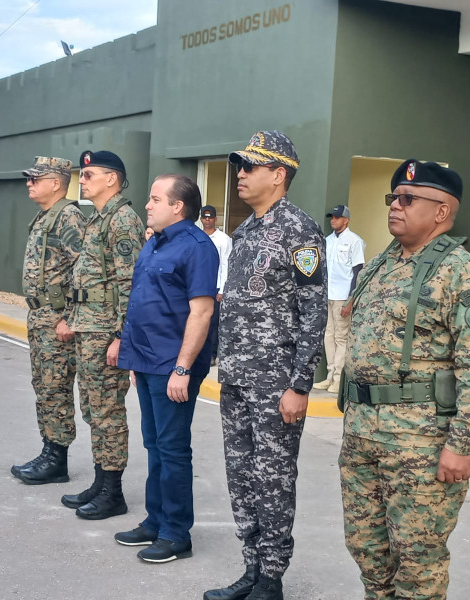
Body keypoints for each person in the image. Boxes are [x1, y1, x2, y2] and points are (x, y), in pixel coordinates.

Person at [338, 159, 470, 600]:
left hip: (421, 444)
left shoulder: (463, 273)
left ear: (442, 212)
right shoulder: (377, 266)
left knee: (417, 561)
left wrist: (462, 445)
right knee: (367, 550)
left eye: (409, 199)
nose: (396, 205)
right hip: (362, 435)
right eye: (393, 197)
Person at [204, 131, 327, 600]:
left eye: (250, 167)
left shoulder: (300, 229)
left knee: (274, 480)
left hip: (275, 383)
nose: (241, 174)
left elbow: (313, 312)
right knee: (242, 476)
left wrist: (300, 384)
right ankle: (251, 569)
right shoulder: (246, 230)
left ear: (278, 174)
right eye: (241, 166)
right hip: (237, 377)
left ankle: (272, 578)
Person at [114, 174, 219, 563]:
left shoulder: (197, 247)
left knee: (173, 449)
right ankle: (155, 521)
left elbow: (202, 311)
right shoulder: (154, 243)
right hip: (146, 360)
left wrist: (182, 368)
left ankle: (176, 533)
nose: (147, 204)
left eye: (155, 198)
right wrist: (130, 355)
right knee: (154, 444)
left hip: (172, 365)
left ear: (178, 206)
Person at [60, 149, 144, 520]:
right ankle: (100, 480)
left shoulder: (123, 219)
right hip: (87, 326)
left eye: (89, 175)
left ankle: (113, 491)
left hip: (105, 330)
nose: (83, 179)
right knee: (93, 409)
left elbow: (130, 283)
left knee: (108, 410)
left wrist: (121, 336)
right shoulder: (98, 218)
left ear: (112, 179)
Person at [11, 156, 85, 485]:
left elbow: (87, 271)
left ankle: (57, 460)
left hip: (57, 320)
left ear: (56, 183)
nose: (29, 183)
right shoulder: (45, 217)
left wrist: (71, 317)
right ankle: (49, 450)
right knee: (43, 387)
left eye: (35, 178)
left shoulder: (69, 217)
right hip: (40, 317)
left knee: (55, 389)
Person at [313, 204, 365, 395]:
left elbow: (358, 272)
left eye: (337, 217)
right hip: (327, 295)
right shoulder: (327, 241)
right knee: (328, 336)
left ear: (346, 220)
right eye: (331, 217)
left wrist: (351, 299)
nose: (333, 220)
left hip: (343, 297)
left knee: (341, 338)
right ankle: (329, 377)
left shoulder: (354, 241)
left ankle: (338, 380)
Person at [200, 205, 232, 365]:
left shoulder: (223, 239)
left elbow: (226, 264)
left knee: (213, 323)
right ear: (200, 219)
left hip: (215, 287)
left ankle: (211, 354)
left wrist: (222, 289)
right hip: (198, 286)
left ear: (215, 219)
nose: (207, 220)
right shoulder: (196, 236)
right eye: (204, 217)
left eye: (210, 217)